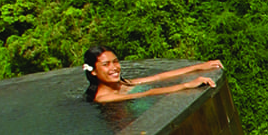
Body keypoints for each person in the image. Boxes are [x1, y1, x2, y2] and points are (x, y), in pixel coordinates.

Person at [82, 47, 223, 102]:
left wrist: (199, 67)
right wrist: (187, 85)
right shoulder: (104, 98)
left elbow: (157, 78)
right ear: (93, 71)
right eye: (106, 65)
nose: (114, 68)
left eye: (115, 62)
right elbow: (148, 93)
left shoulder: (123, 84)